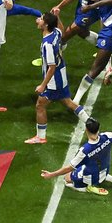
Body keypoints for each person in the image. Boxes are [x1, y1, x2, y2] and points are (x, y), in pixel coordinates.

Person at [26, 12, 90, 143]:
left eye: (41, 19)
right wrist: (58, 17)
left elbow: (52, 66)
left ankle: (41, 137)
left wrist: (43, 85)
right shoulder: (55, 32)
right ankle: (90, 122)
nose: (37, 20)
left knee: (40, 105)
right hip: (62, 74)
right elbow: (61, 30)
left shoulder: (47, 44)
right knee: (68, 102)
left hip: (53, 80)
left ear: (46, 24)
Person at [41, 118, 112, 195]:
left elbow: (68, 168)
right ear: (98, 129)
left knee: (67, 178)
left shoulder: (84, 150)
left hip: (91, 178)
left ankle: (88, 188)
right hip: (105, 171)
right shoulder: (107, 136)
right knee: (95, 165)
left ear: (86, 130)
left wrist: (51, 175)